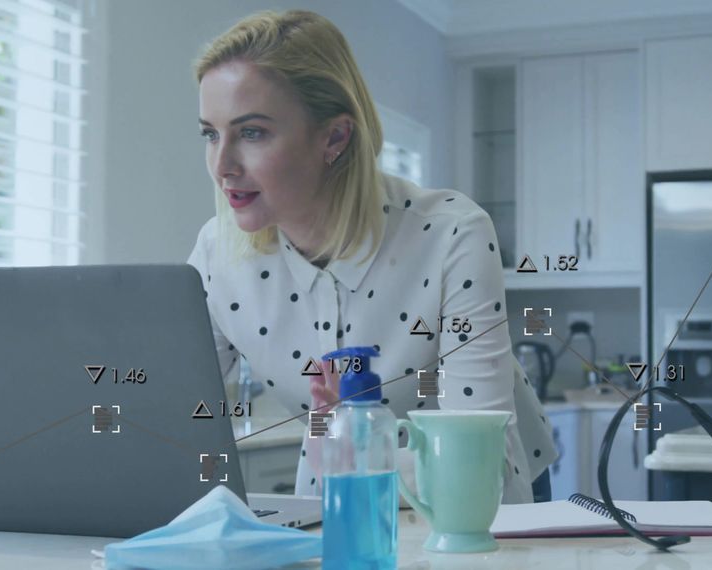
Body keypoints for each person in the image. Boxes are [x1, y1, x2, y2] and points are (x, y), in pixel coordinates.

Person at [186, 9, 556, 504]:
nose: (222, 165)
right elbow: (174, 416)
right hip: (341, 494)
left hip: (485, 500)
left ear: (335, 138)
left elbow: (479, 469)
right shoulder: (217, 255)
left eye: (252, 133)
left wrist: (355, 452)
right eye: (211, 133)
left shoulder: (451, 235)